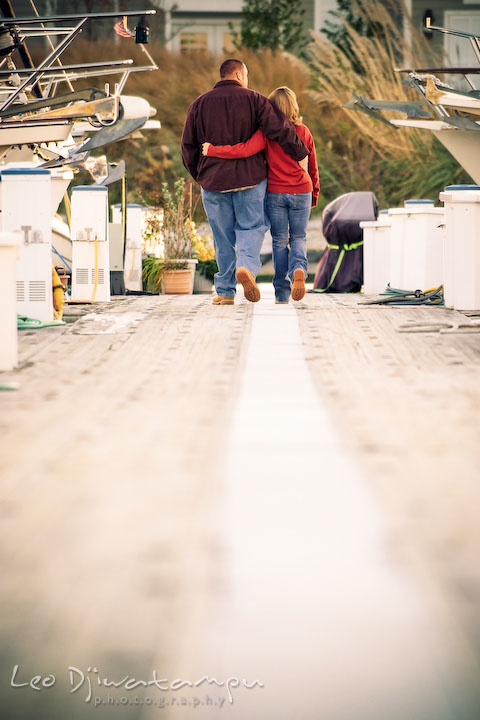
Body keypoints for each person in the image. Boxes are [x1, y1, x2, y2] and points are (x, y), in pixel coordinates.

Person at [181, 59, 308, 305]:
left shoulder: (199, 104)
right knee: (252, 228)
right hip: (250, 181)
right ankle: (247, 266)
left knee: (222, 237)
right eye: (246, 75)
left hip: (213, 182)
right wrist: (299, 151)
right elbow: (279, 128)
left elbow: (188, 146)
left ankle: (226, 292)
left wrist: (201, 175)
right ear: (239, 74)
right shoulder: (256, 100)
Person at [202, 86, 319, 303]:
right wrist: (314, 194)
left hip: (276, 193)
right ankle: (298, 271)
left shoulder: (267, 133)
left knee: (279, 242)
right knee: (299, 237)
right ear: (294, 105)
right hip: (302, 190)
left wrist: (212, 150)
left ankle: (282, 293)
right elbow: (313, 167)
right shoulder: (303, 131)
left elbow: (243, 150)